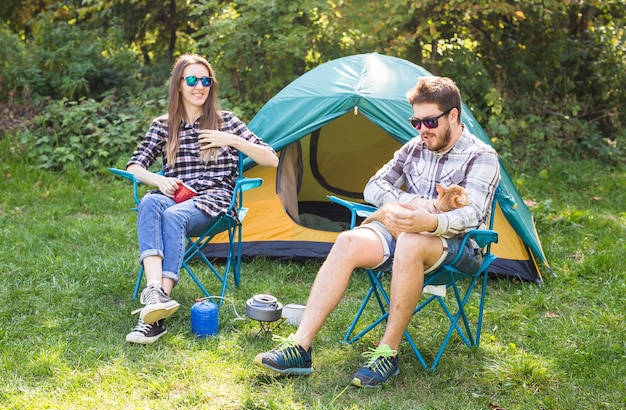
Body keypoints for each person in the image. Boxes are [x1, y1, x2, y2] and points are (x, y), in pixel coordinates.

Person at [253, 76, 500, 388]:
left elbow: (472, 213)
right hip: (406, 229)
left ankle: (388, 352)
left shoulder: (482, 155)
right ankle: (300, 347)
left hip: (459, 244)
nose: (422, 130)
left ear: (453, 115)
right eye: (416, 122)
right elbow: (374, 187)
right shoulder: (414, 148)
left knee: (411, 241)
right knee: (347, 240)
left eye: (430, 121)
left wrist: (431, 222)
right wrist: (418, 205)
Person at [125, 54, 278, 344]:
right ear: (179, 85)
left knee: (172, 216)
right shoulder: (163, 125)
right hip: (176, 195)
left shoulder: (227, 122)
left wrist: (232, 140)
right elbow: (135, 166)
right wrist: (159, 180)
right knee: (149, 202)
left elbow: (271, 159)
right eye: (192, 79)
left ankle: (155, 313)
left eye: (205, 80)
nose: (200, 86)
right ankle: (155, 290)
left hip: (215, 202)